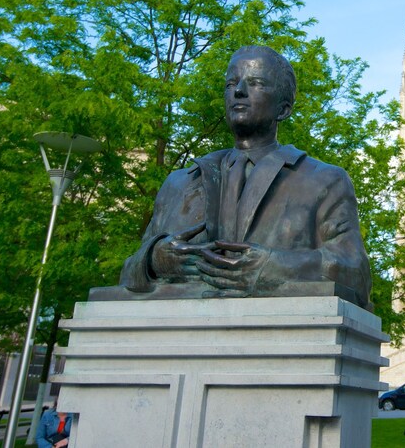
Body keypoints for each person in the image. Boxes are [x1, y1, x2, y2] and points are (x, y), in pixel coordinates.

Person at [119, 46, 372, 308]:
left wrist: (273, 268)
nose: (238, 91)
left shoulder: (324, 180)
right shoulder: (179, 182)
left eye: (256, 83)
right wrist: (153, 259)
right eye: (231, 83)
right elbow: (127, 272)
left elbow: (356, 273)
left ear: (283, 109)